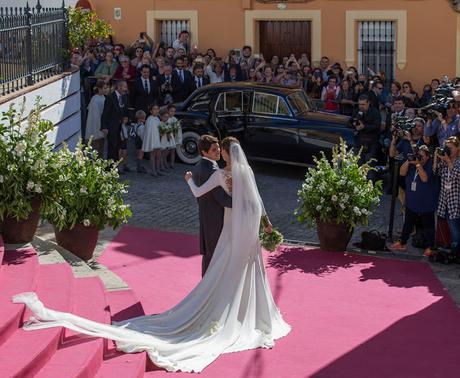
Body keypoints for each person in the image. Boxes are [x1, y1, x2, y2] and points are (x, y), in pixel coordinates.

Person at [12, 137, 291, 374]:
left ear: (227, 154)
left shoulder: (220, 175)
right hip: (247, 235)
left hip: (231, 233)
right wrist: (266, 224)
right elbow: (256, 202)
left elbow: (197, 192)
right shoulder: (247, 174)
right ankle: (250, 315)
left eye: (223, 151)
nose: (221, 155)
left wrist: (189, 179)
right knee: (247, 271)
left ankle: (225, 313)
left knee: (224, 272)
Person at [389, 146, 437, 256]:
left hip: (426, 202)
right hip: (412, 201)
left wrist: (418, 164)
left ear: (428, 157)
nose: (419, 157)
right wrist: (409, 160)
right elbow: (401, 173)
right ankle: (402, 243)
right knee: (408, 224)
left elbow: (425, 179)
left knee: (428, 226)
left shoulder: (431, 166)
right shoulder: (412, 164)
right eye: (418, 154)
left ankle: (430, 247)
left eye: (422, 156)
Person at [434, 136, 460, 255]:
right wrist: (436, 157)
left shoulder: (458, 162)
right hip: (445, 199)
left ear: (457, 148)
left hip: (456, 200)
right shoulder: (445, 161)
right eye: (446, 147)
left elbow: (457, 176)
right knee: (450, 225)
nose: (448, 150)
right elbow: (436, 172)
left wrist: (449, 161)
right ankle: (453, 248)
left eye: (450, 148)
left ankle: (456, 251)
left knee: (455, 227)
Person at [349, 94, 382, 182]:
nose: (361, 106)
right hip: (358, 142)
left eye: (363, 104)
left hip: (371, 143)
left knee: (369, 167)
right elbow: (349, 122)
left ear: (368, 103)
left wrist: (364, 127)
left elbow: (377, 125)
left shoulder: (374, 112)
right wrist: (354, 125)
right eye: (359, 104)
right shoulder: (357, 111)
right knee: (357, 165)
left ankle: (369, 188)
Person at [101, 80, 129, 162]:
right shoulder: (110, 97)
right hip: (112, 126)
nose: (126, 89)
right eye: (124, 87)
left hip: (120, 127)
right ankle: (110, 167)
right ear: (119, 87)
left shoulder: (124, 97)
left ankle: (116, 166)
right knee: (112, 147)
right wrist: (104, 126)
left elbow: (126, 110)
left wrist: (126, 118)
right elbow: (105, 113)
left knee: (118, 146)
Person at [85, 80, 109, 158]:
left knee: (101, 150)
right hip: (96, 129)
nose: (107, 89)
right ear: (99, 89)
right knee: (96, 150)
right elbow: (96, 117)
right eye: (105, 88)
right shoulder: (96, 100)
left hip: (100, 128)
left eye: (107, 88)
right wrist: (100, 129)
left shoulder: (101, 98)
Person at [142, 104, 162, 177]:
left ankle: (157, 169)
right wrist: (151, 142)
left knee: (159, 155)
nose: (156, 111)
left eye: (157, 109)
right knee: (153, 155)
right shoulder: (149, 119)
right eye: (154, 109)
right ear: (151, 111)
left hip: (157, 139)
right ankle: (153, 171)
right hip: (152, 140)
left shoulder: (157, 118)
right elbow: (149, 132)